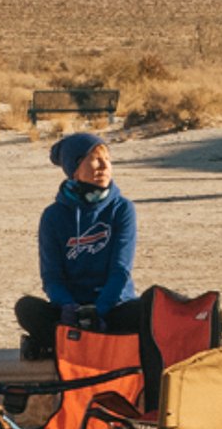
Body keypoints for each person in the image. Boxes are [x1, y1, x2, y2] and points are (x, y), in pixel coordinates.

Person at [16, 131, 142, 361]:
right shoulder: (53, 216)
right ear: (75, 169)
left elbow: (120, 271)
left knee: (149, 309)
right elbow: (52, 277)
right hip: (70, 313)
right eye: (95, 159)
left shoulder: (122, 209)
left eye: (107, 159)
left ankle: (69, 343)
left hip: (113, 307)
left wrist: (100, 310)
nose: (104, 166)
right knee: (26, 308)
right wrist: (69, 309)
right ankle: (85, 339)